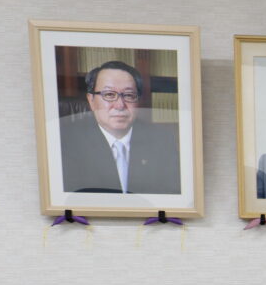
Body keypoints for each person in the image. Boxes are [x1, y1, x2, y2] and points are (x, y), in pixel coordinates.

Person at [59, 59, 180, 194]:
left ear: (138, 101)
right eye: (109, 94)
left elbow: (171, 194)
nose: (120, 105)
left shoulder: (162, 139)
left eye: (128, 95)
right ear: (91, 100)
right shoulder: (67, 141)